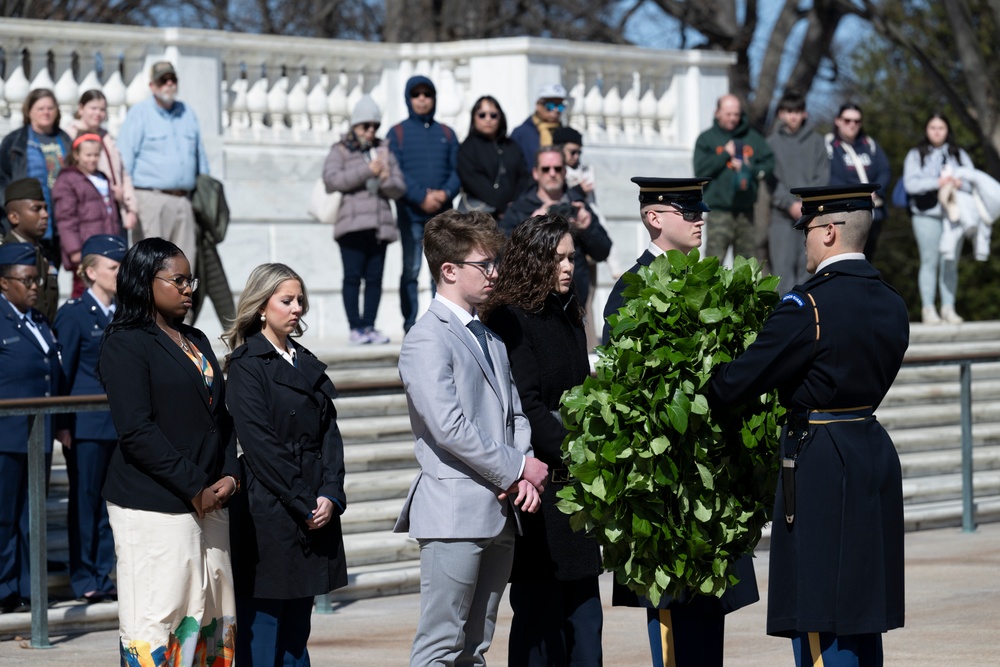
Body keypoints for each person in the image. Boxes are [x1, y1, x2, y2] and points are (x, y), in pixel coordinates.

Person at [710, 184, 908, 667]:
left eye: (807, 231)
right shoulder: (892, 302)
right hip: (872, 450)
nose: (803, 243)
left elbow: (734, 385)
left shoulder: (808, 307)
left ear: (828, 232)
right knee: (862, 609)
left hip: (820, 457)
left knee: (820, 610)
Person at [601, 178, 759, 666]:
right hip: (666, 485)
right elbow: (619, 392)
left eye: (699, 210)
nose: (699, 218)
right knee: (673, 627)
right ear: (654, 218)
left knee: (711, 623)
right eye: (685, 210)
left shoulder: (715, 282)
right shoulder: (629, 291)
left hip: (715, 480)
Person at [393, 209, 548, 666]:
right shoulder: (425, 339)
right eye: (486, 264)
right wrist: (518, 468)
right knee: (440, 645)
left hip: (500, 510)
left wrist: (522, 476)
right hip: (454, 513)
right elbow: (448, 427)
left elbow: (515, 414)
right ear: (449, 270)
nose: (495, 272)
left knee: (475, 647)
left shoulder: (491, 337)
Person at [98, 237, 239, 665]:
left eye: (190, 280)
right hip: (155, 502)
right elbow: (137, 431)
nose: (189, 289)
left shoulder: (196, 338)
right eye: (177, 280)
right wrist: (195, 486)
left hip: (212, 498)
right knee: (161, 621)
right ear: (145, 282)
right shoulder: (125, 343)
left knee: (214, 618)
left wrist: (231, 475)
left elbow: (222, 418)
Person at [480, 215, 603, 666]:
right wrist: (578, 448)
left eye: (572, 258)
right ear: (534, 261)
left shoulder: (568, 311)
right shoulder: (511, 318)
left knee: (586, 621)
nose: (568, 267)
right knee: (540, 623)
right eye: (558, 259)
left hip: (578, 484)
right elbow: (526, 405)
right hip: (540, 487)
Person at [222, 263, 348, 666]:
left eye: (300, 300)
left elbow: (330, 434)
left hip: (313, 502)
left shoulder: (304, 359)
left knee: (297, 630)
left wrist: (331, 492)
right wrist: (302, 499)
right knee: (264, 627)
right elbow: (260, 446)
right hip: (269, 509)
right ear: (262, 306)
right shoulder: (246, 364)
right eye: (286, 300)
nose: (297, 308)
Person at [53, 234, 127, 604]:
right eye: (114, 268)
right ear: (91, 271)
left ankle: (102, 573)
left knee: (108, 504)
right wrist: (61, 423)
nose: (120, 274)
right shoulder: (73, 314)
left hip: (117, 425)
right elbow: (61, 374)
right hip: (84, 427)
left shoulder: (123, 313)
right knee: (84, 504)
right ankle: (84, 577)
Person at [0, 242, 67, 614]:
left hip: (36, 435)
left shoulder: (39, 320)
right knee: (4, 516)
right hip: (5, 436)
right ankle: (4, 587)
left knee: (32, 517)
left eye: (36, 280)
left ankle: (29, 588)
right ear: (3, 283)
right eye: (26, 280)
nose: (34, 287)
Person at [324, 95, 406, 344]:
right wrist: (366, 171)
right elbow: (332, 180)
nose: (371, 131)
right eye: (365, 126)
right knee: (352, 277)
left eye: (375, 126)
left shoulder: (384, 149)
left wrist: (384, 178)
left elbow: (399, 187)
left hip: (379, 226)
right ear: (354, 125)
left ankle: (369, 326)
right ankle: (355, 327)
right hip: (352, 225)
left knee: (375, 279)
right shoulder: (340, 149)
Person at [387, 75, 461, 333]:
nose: (422, 99)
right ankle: (410, 324)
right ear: (408, 99)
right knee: (412, 269)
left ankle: (441, 323)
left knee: (441, 270)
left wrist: (443, 194)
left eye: (426, 94)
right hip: (411, 214)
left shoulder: (447, 133)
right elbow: (395, 171)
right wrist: (421, 197)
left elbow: (457, 170)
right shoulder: (397, 133)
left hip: (443, 217)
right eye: (416, 95)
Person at [118, 61, 209, 268]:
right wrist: (129, 206)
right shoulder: (139, 114)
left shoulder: (188, 113)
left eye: (172, 79)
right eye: (162, 80)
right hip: (150, 199)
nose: (168, 84)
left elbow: (201, 158)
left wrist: (205, 199)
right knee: (152, 267)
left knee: (184, 267)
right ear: (152, 86)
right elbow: (124, 162)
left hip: (185, 202)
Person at [503, 146, 611, 307]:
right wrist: (531, 227)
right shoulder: (520, 208)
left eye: (558, 168)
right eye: (546, 169)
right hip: (532, 303)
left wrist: (587, 227)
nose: (552, 173)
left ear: (565, 172)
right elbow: (504, 255)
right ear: (535, 173)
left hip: (575, 302)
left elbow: (603, 251)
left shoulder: (577, 204)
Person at [903, 113, 974, 324]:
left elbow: (972, 180)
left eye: (941, 127)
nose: (936, 131)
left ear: (947, 130)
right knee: (929, 260)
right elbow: (911, 184)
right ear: (926, 129)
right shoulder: (916, 154)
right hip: (926, 214)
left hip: (953, 215)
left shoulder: (958, 154)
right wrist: (938, 182)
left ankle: (948, 307)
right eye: (932, 127)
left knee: (950, 261)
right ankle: (928, 309)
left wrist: (960, 183)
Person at [693, 94, 774, 265]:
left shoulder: (752, 138)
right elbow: (700, 171)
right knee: (713, 264)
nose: (733, 118)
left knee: (747, 266)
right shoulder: (707, 139)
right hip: (719, 212)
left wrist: (751, 169)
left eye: (736, 114)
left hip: (746, 212)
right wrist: (724, 155)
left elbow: (769, 162)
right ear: (717, 113)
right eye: (728, 114)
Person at [766, 91, 829, 295]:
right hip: (781, 217)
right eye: (789, 111)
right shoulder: (771, 143)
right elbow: (770, 181)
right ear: (781, 114)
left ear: (805, 114)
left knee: (809, 269)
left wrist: (807, 204)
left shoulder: (817, 141)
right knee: (782, 274)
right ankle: (785, 322)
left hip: (812, 216)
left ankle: (809, 319)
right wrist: (789, 204)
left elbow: (823, 176)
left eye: (798, 111)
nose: (793, 116)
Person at [0, 88, 71, 263]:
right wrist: (9, 211)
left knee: (51, 274)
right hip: (24, 222)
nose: (46, 112)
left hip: (58, 221)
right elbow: (2, 179)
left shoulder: (65, 140)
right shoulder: (14, 141)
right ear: (29, 111)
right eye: (40, 108)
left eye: (50, 108)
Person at [53, 134, 124, 298]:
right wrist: (74, 250)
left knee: (108, 292)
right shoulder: (67, 179)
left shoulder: (102, 178)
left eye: (96, 155)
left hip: (107, 247)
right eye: (88, 155)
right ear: (76, 155)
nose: (93, 159)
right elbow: (65, 218)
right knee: (83, 290)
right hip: (86, 249)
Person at [66, 89, 139, 234]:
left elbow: (123, 173)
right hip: (89, 213)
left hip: (115, 210)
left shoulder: (107, 137)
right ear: (81, 109)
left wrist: (131, 207)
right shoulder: (71, 135)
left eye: (102, 109)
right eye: (93, 108)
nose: (98, 113)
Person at [825, 103, 891, 261]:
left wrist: (876, 191)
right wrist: (855, 194)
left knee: (867, 260)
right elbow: (828, 177)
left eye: (857, 121)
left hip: (872, 213)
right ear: (838, 121)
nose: (852, 125)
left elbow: (885, 171)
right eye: (847, 120)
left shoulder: (869, 144)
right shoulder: (829, 146)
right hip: (842, 214)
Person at [456, 95, 531, 220]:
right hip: (480, 216)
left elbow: (523, 177)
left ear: (500, 117)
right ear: (474, 118)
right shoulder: (467, 147)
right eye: (482, 115)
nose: (488, 119)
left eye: (493, 115)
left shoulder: (511, 146)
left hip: (512, 214)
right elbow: (473, 181)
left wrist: (514, 204)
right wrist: (502, 205)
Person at [3, 178, 60, 322]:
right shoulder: (4, 256)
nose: (45, 215)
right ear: (14, 217)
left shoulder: (45, 253)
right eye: (36, 209)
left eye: (45, 208)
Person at [510, 83, 568, 172]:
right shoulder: (521, 133)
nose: (556, 110)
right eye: (550, 106)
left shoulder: (565, 133)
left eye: (560, 106)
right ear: (539, 106)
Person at [552, 126, 595, 203]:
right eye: (572, 152)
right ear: (559, 149)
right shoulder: (549, 171)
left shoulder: (582, 169)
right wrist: (579, 190)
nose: (576, 156)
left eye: (579, 153)